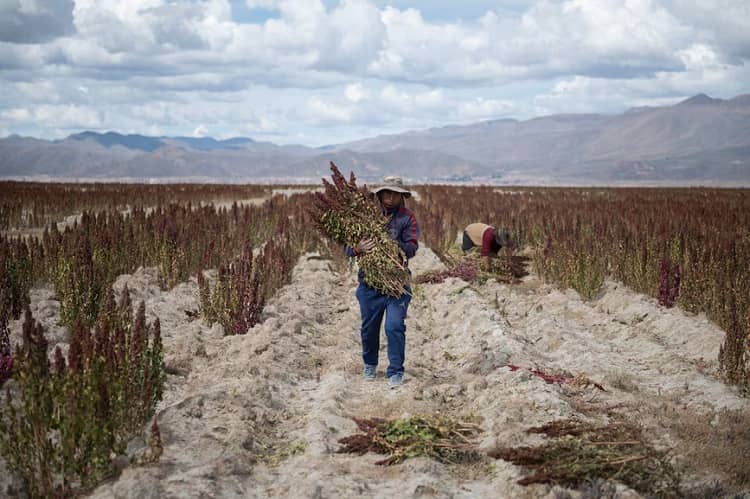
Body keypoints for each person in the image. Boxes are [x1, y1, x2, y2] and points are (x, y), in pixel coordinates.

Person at [344, 176, 419, 388]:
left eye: (394, 193)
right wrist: (359, 248)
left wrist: (390, 244)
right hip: (369, 284)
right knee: (369, 328)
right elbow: (348, 250)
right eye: (385, 192)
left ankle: (395, 370)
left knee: (394, 326)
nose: (389, 197)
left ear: (401, 196)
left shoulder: (407, 219)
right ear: (379, 194)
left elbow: (412, 248)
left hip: (397, 284)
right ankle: (370, 364)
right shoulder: (366, 217)